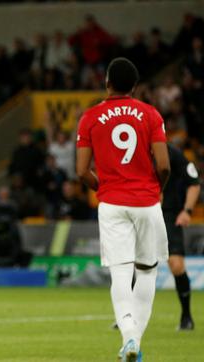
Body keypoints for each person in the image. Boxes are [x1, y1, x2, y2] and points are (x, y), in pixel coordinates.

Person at [76, 57, 170, 361]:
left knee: (120, 274)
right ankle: (135, 343)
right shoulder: (151, 115)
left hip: (112, 203)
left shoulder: (90, 117)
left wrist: (101, 188)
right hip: (146, 202)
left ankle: (128, 336)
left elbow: (80, 171)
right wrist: (156, 189)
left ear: (107, 82)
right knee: (147, 272)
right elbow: (165, 165)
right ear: (136, 85)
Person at [162, 144, 199, 330]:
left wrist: (187, 211)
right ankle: (128, 317)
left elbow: (194, 182)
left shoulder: (173, 153)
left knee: (176, 264)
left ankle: (186, 316)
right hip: (142, 212)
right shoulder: (136, 150)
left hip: (169, 214)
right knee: (133, 265)